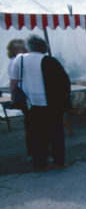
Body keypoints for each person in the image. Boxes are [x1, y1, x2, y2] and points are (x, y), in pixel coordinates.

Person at [10, 34, 70, 171]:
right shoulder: (50, 61)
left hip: (30, 103)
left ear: (28, 47)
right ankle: (59, 161)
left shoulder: (19, 60)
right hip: (50, 103)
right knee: (55, 133)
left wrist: (14, 98)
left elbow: (14, 82)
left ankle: (40, 163)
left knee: (36, 134)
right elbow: (63, 82)